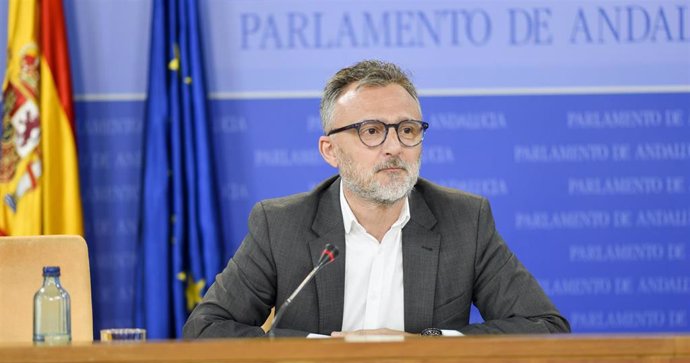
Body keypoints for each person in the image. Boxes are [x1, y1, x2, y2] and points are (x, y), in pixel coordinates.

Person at [183, 60, 570, 338]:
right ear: (330, 150)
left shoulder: (464, 221)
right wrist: (317, 350)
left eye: (407, 129)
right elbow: (206, 328)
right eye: (371, 131)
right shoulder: (280, 225)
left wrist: (426, 345)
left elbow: (544, 326)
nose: (394, 147)